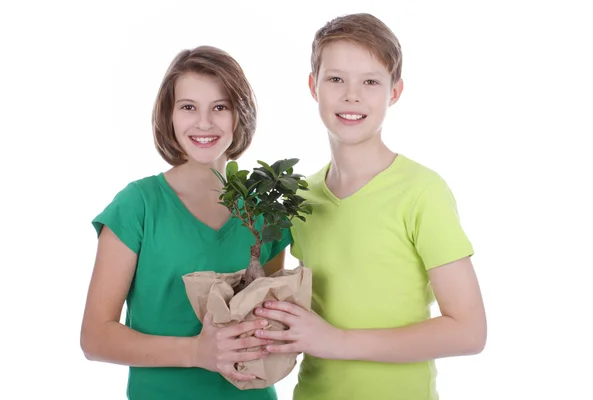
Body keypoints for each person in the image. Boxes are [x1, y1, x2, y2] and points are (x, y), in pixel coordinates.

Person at [252, 13, 487, 400]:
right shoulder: (299, 198)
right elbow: (271, 299)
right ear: (314, 87)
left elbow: (469, 331)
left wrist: (337, 341)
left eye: (371, 82)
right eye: (336, 79)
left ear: (394, 92)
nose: (351, 95)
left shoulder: (422, 192)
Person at [80, 45, 291, 400]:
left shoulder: (263, 211)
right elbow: (95, 338)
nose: (204, 122)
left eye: (220, 107)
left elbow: (267, 318)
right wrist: (196, 352)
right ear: (169, 116)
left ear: (239, 116)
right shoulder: (138, 206)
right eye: (188, 107)